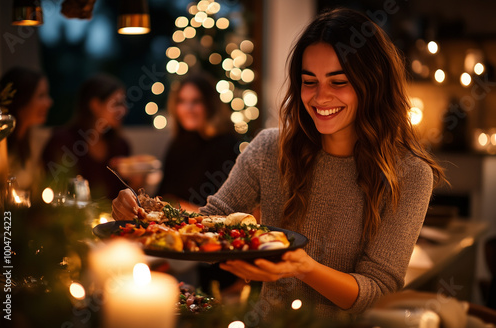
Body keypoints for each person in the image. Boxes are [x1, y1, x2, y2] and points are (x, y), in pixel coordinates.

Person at [112, 8, 446, 320]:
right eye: (309, 80)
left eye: (339, 81)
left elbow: (379, 290)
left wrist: (302, 268)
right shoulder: (270, 148)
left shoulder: (410, 173)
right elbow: (210, 225)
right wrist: (145, 219)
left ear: (373, 84)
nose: (319, 97)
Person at [157, 73, 239, 212]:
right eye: (181, 101)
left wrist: (175, 205)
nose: (188, 109)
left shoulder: (226, 144)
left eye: (196, 101)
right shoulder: (178, 142)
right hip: (172, 224)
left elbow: (224, 208)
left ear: (210, 105)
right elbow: (162, 194)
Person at [42, 73, 131, 201]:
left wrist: (136, 182)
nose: (124, 110)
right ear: (95, 105)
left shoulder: (120, 146)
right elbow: (50, 190)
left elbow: (121, 199)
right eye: (117, 104)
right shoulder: (62, 142)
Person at [0, 66, 53, 196]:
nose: (49, 102)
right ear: (21, 100)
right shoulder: (0, 142)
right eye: (41, 96)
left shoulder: (33, 140)